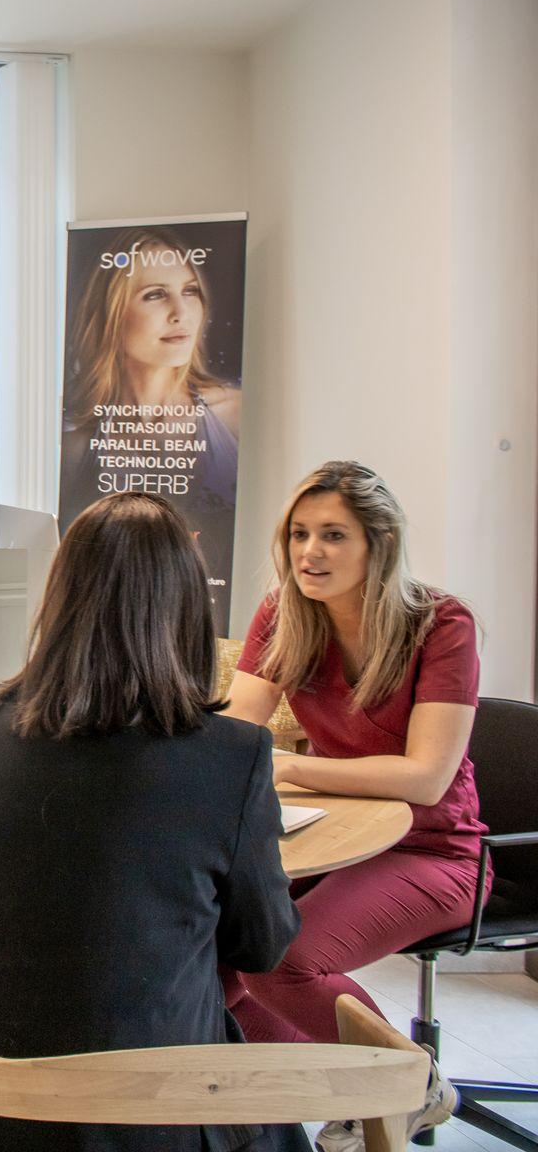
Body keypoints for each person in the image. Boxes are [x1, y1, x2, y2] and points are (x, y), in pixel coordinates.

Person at [0, 492, 304, 1152]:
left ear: (60, 599)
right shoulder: (233, 757)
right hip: (149, 1123)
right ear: (188, 611)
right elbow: (262, 945)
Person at [223, 460, 476, 1148]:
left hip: (435, 851)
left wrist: (288, 766)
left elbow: (427, 779)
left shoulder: (440, 624)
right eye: (299, 533)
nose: (310, 552)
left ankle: (404, 1083)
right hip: (338, 836)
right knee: (207, 961)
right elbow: (240, 728)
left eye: (333, 535)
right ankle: (348, 1086)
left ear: (379, 543)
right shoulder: (284, 612)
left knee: (281, 960)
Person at [60, 225, 242, 600]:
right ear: (111, 312)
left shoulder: (233, 414)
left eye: (190, 291)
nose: (181, 313)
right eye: (155, 294)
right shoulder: (77, 442)